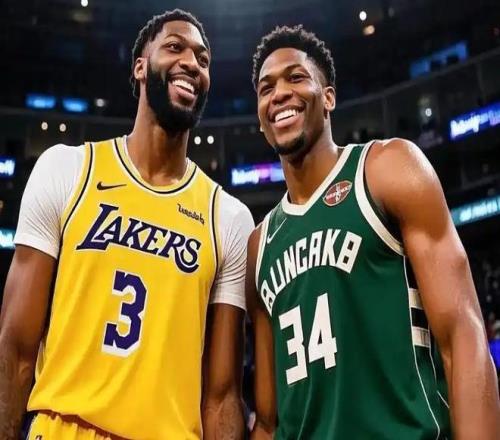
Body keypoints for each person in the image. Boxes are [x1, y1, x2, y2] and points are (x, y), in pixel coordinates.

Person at [0, 9, 253, 440]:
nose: (192, 63)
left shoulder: (227, 217)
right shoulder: (68, 170)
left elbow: (222, 396)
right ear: (140, 66)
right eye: (174, 47)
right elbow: (17, 347)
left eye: (203, 59)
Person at [246, 25, 500, 439]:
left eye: (296, 77)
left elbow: (464, 336)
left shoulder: (387, 170)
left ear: (328, 97)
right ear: (260, 119)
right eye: (266, 88)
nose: (279, 94)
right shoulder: (260, 245)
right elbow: (269, 422)